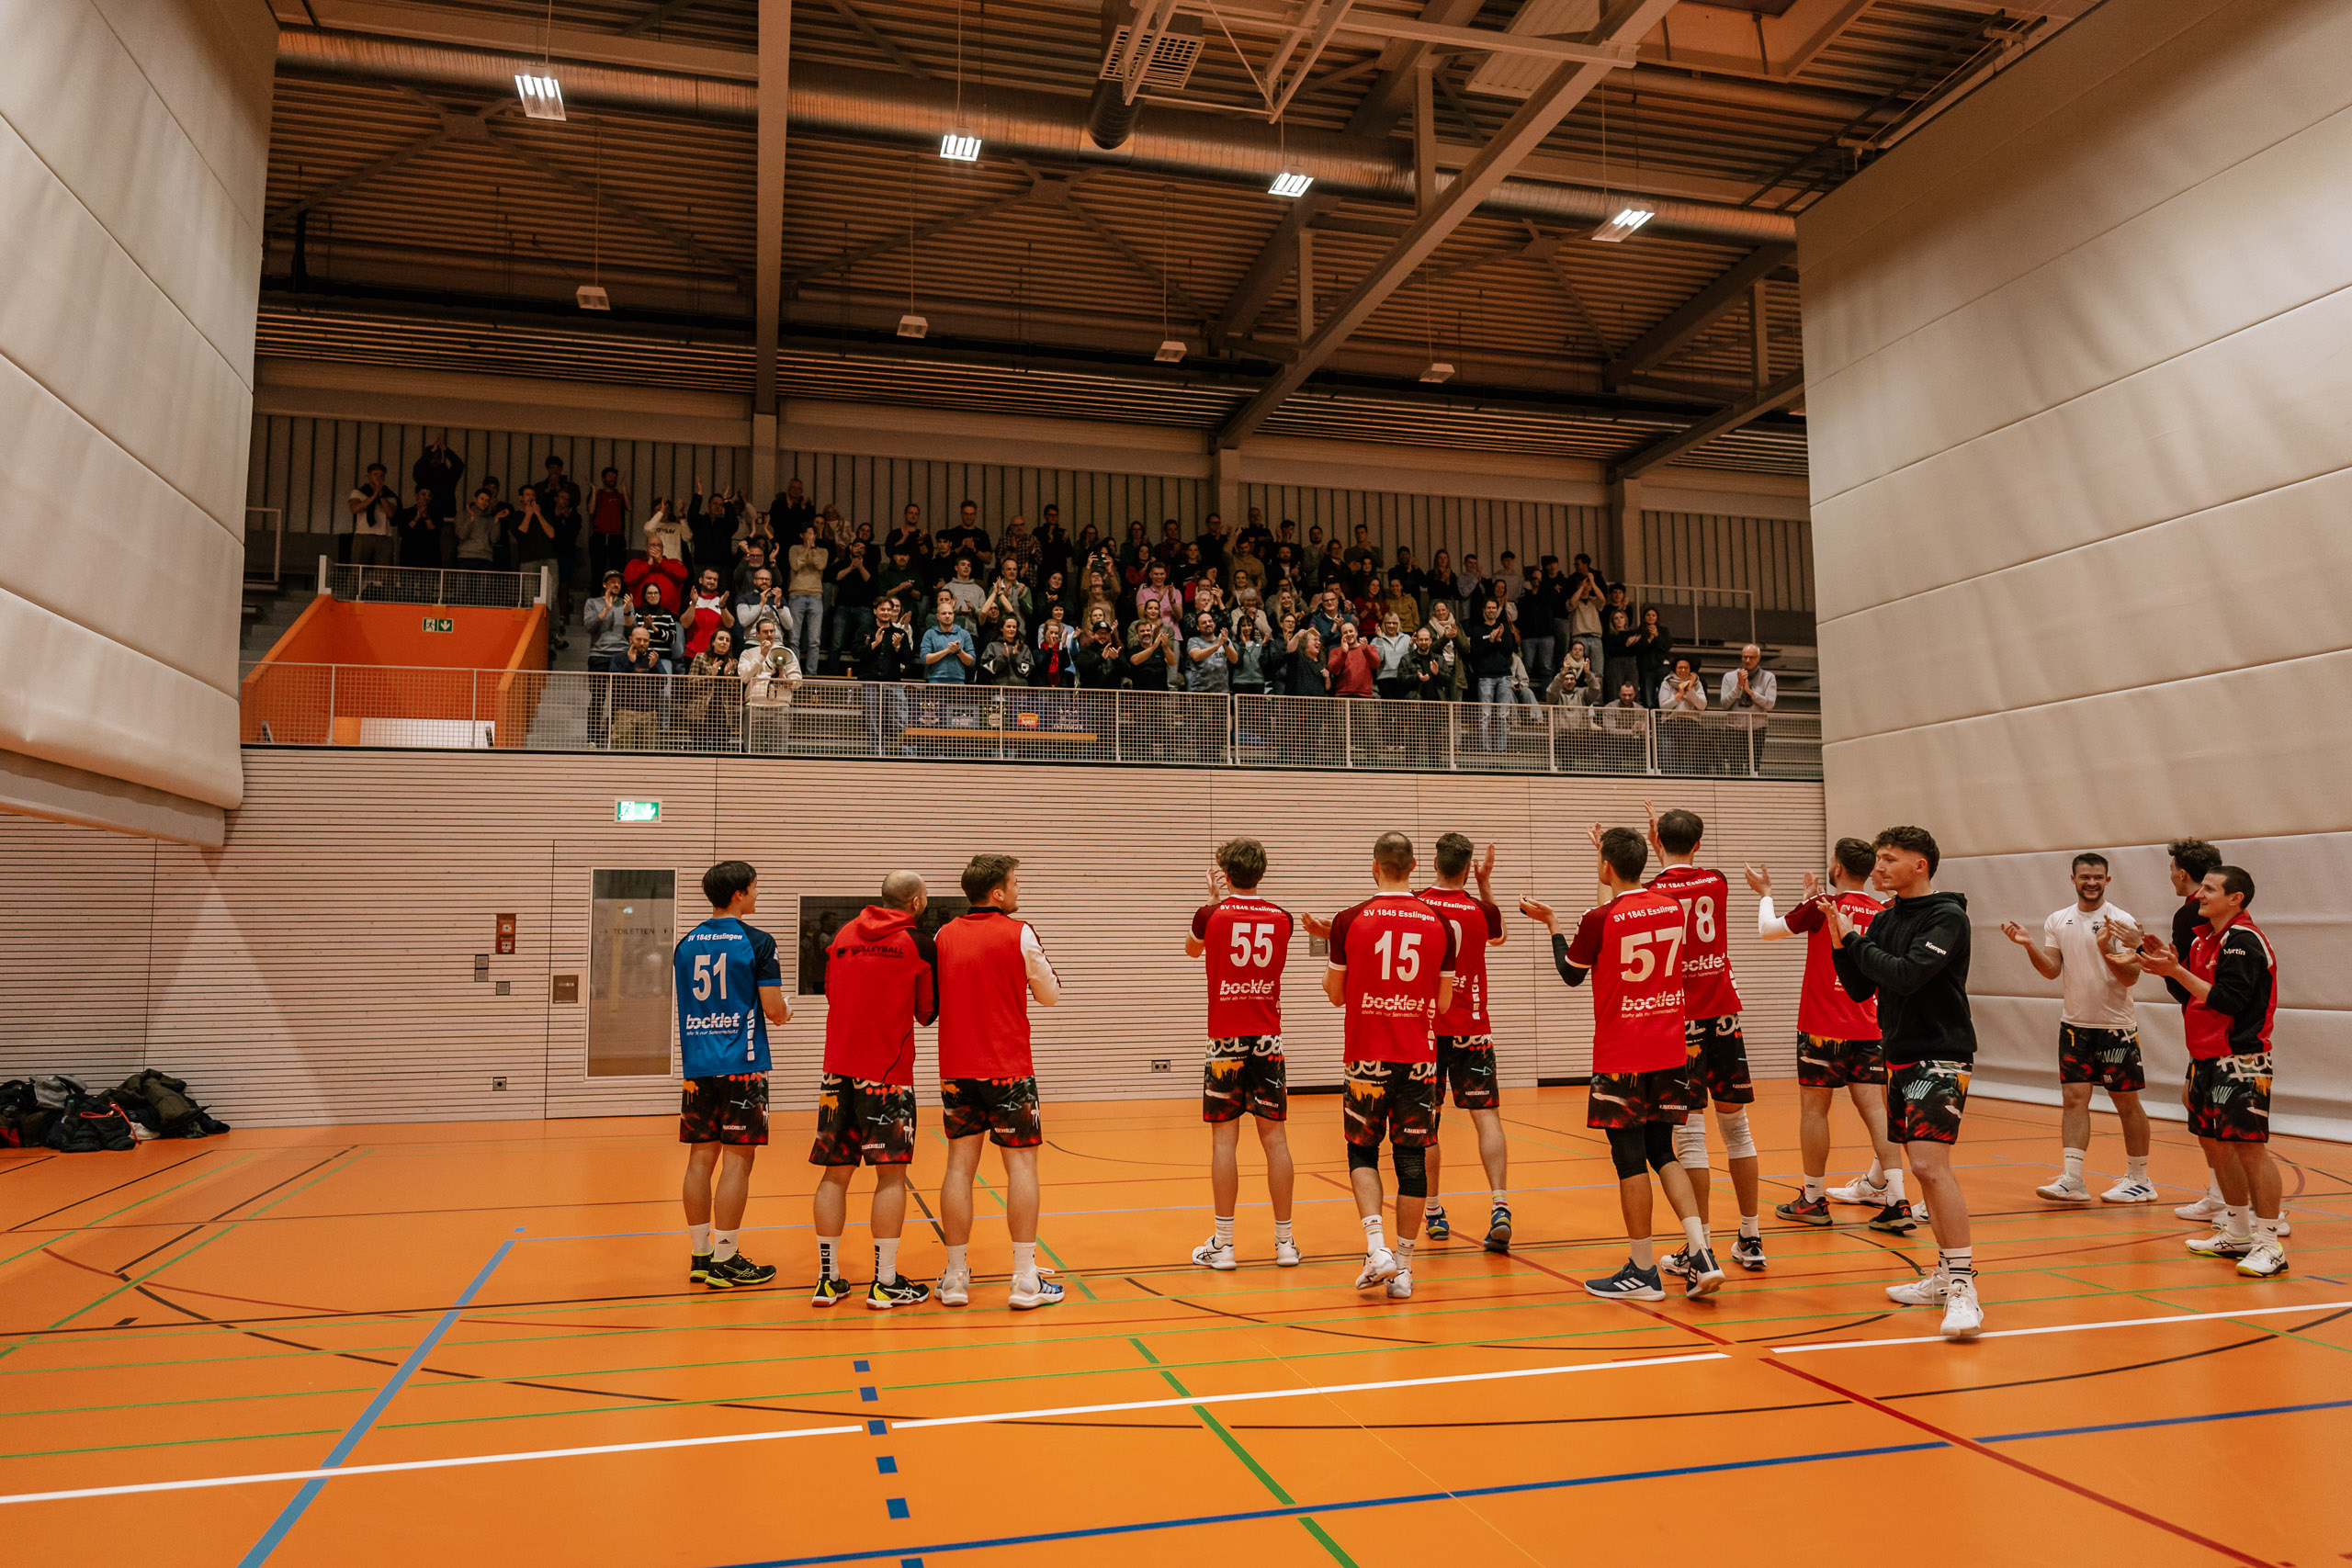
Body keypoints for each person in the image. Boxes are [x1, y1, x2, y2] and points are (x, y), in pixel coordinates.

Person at [1523, 824, 1719, 1301]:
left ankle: (1643, 1270)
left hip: (1623, 1055)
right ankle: (1702, 1251)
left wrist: (1553, 926)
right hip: (1670, 1050)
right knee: (1664, 1151)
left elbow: (1571, 974)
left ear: (1605, 866)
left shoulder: (1599, 918)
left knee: (1630, 1159)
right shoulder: (1670, 906)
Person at [1827, 826, 1984, 1339]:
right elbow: (1859, 987)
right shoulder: (1890, 917)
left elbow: (1905, 975)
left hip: (1941, 1054)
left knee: (1928, 1167)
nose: (1879, 867)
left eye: (1890, 859)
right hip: (1901, 1056)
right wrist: (1839, 940)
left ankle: (1963, 1288)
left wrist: (1854, 937)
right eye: (1877, 858)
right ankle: (1944, 1276)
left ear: (1921, 865)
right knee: (1924, 1170)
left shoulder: (1947, 916)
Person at [1303, 833, 1457, 1302]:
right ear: (1413, 866)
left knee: (1362, 1153)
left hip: (1366, 1056)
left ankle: (1377, 1248)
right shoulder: (1440, 922)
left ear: (1375, 866)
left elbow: (1335, 995)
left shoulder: (1349, 921)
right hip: (1418, 1059)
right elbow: (1445, 1002)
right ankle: (1405, 1270)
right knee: (1411, 1162)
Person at [1749, 841, 1908, 1231]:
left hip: (1821, 1029)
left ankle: (1814, 1198)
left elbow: (1768, 931)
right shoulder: (1883, 912)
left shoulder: (1822, 905)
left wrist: (1767, 895)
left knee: (1815, 1111)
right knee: (1877, 1113)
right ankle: (1898, 1200)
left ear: (1836, 867)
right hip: (1868, 1028)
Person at [2137, 864, 2285, 1277]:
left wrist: (2175, 970)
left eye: (2209, 889)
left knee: (2250, 1149)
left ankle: (2270, 1243)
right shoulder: (2206, 941)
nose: (2199, 894)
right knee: (2216, 1146)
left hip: (2240, 1059)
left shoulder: (2243, 941)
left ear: (2235, 898)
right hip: (2203, 1057)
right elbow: (2192, 995)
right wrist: (2166, 963)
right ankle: (2237, 1231)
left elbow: (2226, 1001)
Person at [935, 855, 1064, 1309]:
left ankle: (954, 1278)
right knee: (1022, 1169)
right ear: (996, 893)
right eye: (1014, 883)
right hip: (1008, 1068)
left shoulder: (942, 935)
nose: (1018, 890)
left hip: (956, 1068)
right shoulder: (1020, 932)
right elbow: (1049, 995)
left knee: (958, 1168)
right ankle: (1026, 1279)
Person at [809, 872, 939, 1310]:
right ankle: (885, 1283)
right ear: (917, 901)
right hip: (886, 1076)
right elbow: (926, 1013)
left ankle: (828, 1280)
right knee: (891, 1177)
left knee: (834, 1175)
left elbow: (832, 993)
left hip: (836, 1072)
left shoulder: (843, 934)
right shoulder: (917, 943)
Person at [1998, 852, 2158, 1205]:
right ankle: (2072, 1179)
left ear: (2107, 880)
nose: (2091, 882)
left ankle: (2140, 1179)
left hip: (2115, 1027)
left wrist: (2105, 949)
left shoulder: (2121, 921)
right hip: (2074, 1026)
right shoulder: (2058, 919)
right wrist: (2028, 946)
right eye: (2085, 876)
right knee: (2073, 1100)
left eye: (2098, 877)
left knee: (2126, 1103)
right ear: (2073, 879)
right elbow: (2051, 970)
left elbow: (2131, 976)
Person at [1645, 806, 1765, 1274]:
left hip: (1683, 1020)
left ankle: (1703, 1247)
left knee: (1690, 1134)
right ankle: (1751, 1237)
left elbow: (1665, 880)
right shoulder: (1716, 880)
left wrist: (1656, 844)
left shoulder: (1654, 893)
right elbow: (1685, 870)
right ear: (1698, 843)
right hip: (1724, 1014)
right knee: (1737, 1128)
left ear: (1657, 842)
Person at [1184, 839, 1300, 1270]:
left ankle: (1225, 1245)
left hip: (1225, 1042)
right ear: (1262, 873)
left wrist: (1214, 903)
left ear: (1225, 872)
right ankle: (1285, 1243)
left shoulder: (1210, 916)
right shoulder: (1282, 918)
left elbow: (1192, 949)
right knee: (1276, 1141)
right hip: (1268, 1039)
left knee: (1223, 1142)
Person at [675, 860, 789, 1290]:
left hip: (697, 1066)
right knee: (738, 1161)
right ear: (739, 893)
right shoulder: (757, 941)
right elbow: (772, 1006)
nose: (759, 895)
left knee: (699, 1159)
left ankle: (700, 1254)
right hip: (741, 1064)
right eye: (757, 888)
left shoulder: (686, 943)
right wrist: (782, 1015)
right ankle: (726, 1259)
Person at [1416, 835, 1512, 1252]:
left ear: (1435, 861)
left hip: (1429, 1029)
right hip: (1474, 1027)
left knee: (1428, 1122)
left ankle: (1434, 1212)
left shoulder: (1419, 905)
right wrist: (1486, 884)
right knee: (1486, 1116)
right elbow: (1499, 936)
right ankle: (1500, 1204)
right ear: (1469, 865)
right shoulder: (1480, 909)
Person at [739, 618, 802, 751]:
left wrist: (782, 679)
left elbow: (797, 681)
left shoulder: (787, 652)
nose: (770, 634)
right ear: (757, 634)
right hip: (754, 706)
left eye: (772, 631)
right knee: (752, 751)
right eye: (765, 631)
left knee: (779, 752)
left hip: (780, 706)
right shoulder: (748, 654)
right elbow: (744, 677)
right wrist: (761, 655)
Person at [1469, 597, 1518, 752]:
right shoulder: (1477, 630)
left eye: (1493, 608)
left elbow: (1510, 651)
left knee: (1503, 716)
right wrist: (1490, 641)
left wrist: (1498, 639)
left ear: (1497, 610)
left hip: (1504, 676)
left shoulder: (1504, 628)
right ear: (1484, 610)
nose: (1491, 611)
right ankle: (1485, 750)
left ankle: (1501, 750)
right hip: (1485, 677)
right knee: (1485, 716)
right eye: (1488, 608)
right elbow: (1475, 655)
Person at [1717, 644, 1775, 773]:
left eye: (1752, 657)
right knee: (1735, 768)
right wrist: (1738, 687)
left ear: (1758, 658)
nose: (1747, 660)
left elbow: (1770, 704)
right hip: (1733, 727)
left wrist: (1750, 692)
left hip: (1757, 728)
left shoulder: (1768, 677)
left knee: (1753, 769)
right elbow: (1724, 704)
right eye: (1745, 657)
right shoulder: (1729, 676)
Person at [611, 626, 663, 749]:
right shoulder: (619, 658)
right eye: (638, 639)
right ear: (630, 640)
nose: (642, 643)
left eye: (645, 640)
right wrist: (630, 663)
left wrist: (652, 668)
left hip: (648, 713)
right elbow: (615, 682)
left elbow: (662, 683)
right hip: (624, 712)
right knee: (623, 752)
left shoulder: (653, 659)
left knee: (649, 755)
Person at [346, 463, 396, 567]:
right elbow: (355, 509)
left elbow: (390, 513)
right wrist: (374, 496)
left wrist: (381, 494)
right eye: (375, 474)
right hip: (363, 534)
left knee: (385, 570)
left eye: (381, 475)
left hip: (384, 536)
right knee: (357, 568)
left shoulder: (390, 495)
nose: (378, 478)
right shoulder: (358, 492)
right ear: (369, 476)